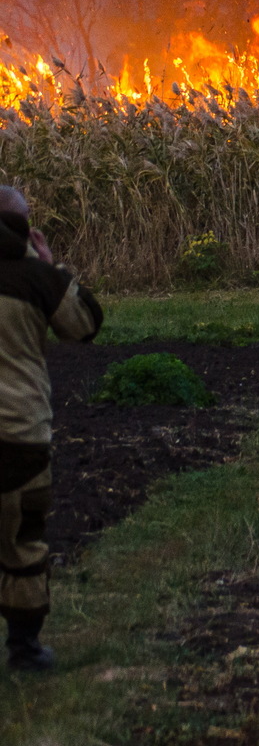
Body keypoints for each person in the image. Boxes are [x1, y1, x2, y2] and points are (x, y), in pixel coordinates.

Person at [0, 186, 103, 671]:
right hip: (20, 432)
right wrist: (54, 266)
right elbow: (82, 326)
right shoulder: (38, 278)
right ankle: (24, 649)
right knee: (22, 541)